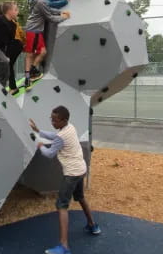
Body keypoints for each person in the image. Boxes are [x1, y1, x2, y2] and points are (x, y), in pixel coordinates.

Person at [29, 106, 101, 254]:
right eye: (51, 119)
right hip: (81, 170)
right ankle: (93, 225)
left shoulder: (62, 136)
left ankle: (64, 246)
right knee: (80, 197)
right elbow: (55, 136)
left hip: (72, 173)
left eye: (55, 120)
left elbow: (49, 154)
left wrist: (40, 145)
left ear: (63, 120)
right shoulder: (70, 128)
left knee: (62, 205)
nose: (52, 122)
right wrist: (38, 131)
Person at [24, 0, 70, 91]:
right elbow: (49, 17)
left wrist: (60, 12)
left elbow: (49, 9)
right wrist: (62, 18)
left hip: (36, 31)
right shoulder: (40, 2)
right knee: (31, 55)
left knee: (41, 52)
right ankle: (28, 78)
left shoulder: (40, 0)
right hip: (33, 31)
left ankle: (32, 72)